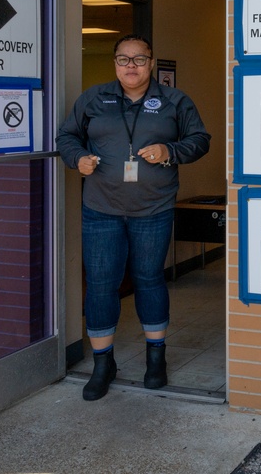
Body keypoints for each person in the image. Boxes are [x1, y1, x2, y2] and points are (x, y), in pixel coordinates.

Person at [56, 34, 211, 400]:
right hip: (101, 208)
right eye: (123, 59)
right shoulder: (94, 98)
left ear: (151, 62)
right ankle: (102, 363)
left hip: (153, 209)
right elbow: (67, 136)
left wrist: (169, 150)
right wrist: (77, 158)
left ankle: (156, 359)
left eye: (139, 59)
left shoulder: (175, 100)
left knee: (149, 279)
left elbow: (200, 140)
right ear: (115, 63)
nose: (131, 66)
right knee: (100, 284)